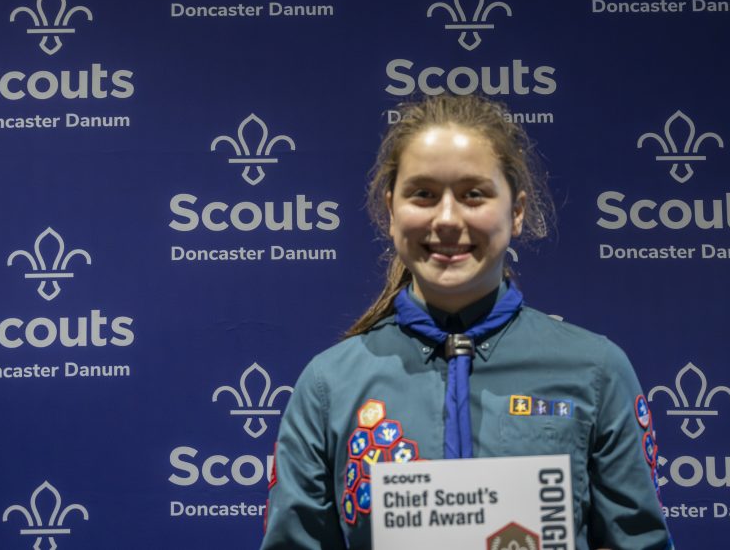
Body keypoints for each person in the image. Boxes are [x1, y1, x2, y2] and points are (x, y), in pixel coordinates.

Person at [259, 95, 672, 549]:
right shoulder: (329, 386)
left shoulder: (596, 371)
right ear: (391, 211)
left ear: (516, 211)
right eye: (423, 194)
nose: (447, 219)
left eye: (474, 194)